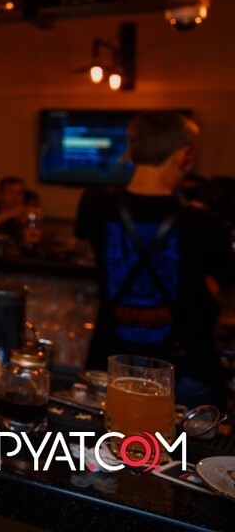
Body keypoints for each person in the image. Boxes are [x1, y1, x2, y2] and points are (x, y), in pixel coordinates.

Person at [75, 110, 235, 405]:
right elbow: (226, 291)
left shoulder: (95, 206)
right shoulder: (206, 223)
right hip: (185, 373)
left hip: (109, 366)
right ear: (184, 155)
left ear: (132, 149)